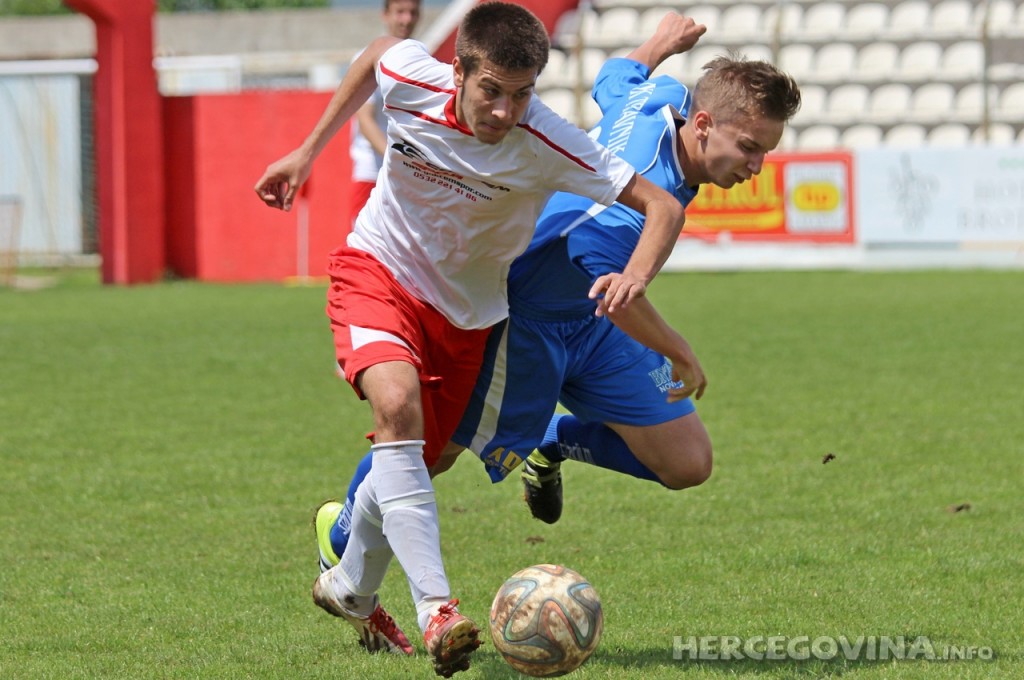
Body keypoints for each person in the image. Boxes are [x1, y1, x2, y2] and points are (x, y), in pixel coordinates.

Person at [254, 3, 686, 676]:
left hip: (466, 318)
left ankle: (347, 586)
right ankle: (439, 613)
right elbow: (375, 55)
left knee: (420, 461)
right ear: (458, 71)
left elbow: (662, 205)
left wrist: (635, 276)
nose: (506, 111)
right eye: (492, 91)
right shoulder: (414, 79)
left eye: (522, 94)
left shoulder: (548, 139)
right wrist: (307, 152)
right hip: (378, 271)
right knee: (394, 407)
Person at [316, 11, 801, 573]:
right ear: (703, 124)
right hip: (526, 324)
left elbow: (617, 76)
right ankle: (343, 530)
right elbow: (612, 289)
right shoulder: (623, 215)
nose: (756, 166)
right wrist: (677, 349)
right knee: (438, 449)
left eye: (763, 150)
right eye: (747, 147)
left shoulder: (660, 99)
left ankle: (553, 440)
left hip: (596, 325)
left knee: (688, 462)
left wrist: (659, 44)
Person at [348, 0, 421, 223]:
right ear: (385, 15)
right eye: (400, 12)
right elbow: (365, 121)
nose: (406, 19)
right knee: (362, 253)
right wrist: (397, 159)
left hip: (409, 178)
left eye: (413, 12)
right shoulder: (367, 59)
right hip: (374, 174)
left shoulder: (422, 62)